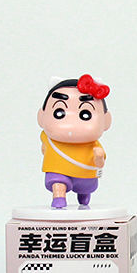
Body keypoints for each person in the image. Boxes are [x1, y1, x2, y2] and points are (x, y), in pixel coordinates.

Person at [37, 74, 112, 209]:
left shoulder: (94, 145)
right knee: (57, 181)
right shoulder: (47, 138)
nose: (71, 123)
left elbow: (100, 163)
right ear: (41, 117)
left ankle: (83, 195)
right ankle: (59, 197)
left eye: (85, 114)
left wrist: (99, 157)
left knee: (85, 189)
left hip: (85, 175)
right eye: (59, 112)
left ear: (106, 121)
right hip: (57, 169)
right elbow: (44, 148)